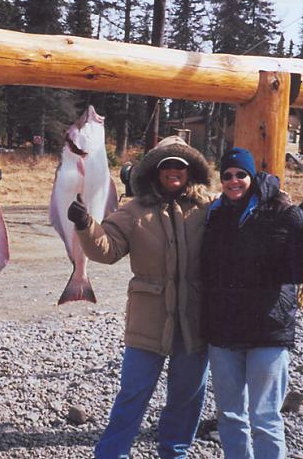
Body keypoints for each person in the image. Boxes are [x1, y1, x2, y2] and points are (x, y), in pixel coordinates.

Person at [67, 135, 213, 459]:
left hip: (194, 321)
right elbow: (107, 249)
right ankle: (111, 454)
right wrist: (86, 225)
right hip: (148, 320)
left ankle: (175, 453)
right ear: (154, 172)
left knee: (188, 397)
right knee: (133, 394)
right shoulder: (133, 210)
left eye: (180, 165)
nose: (173, 170)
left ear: (190, 171)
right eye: (166, 165)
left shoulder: (208, 208)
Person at [201, 147, 303, 459]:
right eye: (227, 175)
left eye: (240, 174)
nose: (233, 180)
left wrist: (297, 224)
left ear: (251, 176)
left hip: (268, 329)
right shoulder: (215, 214)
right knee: (230, 415)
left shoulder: (279, 211)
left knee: (265, 417)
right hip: (224, 331)